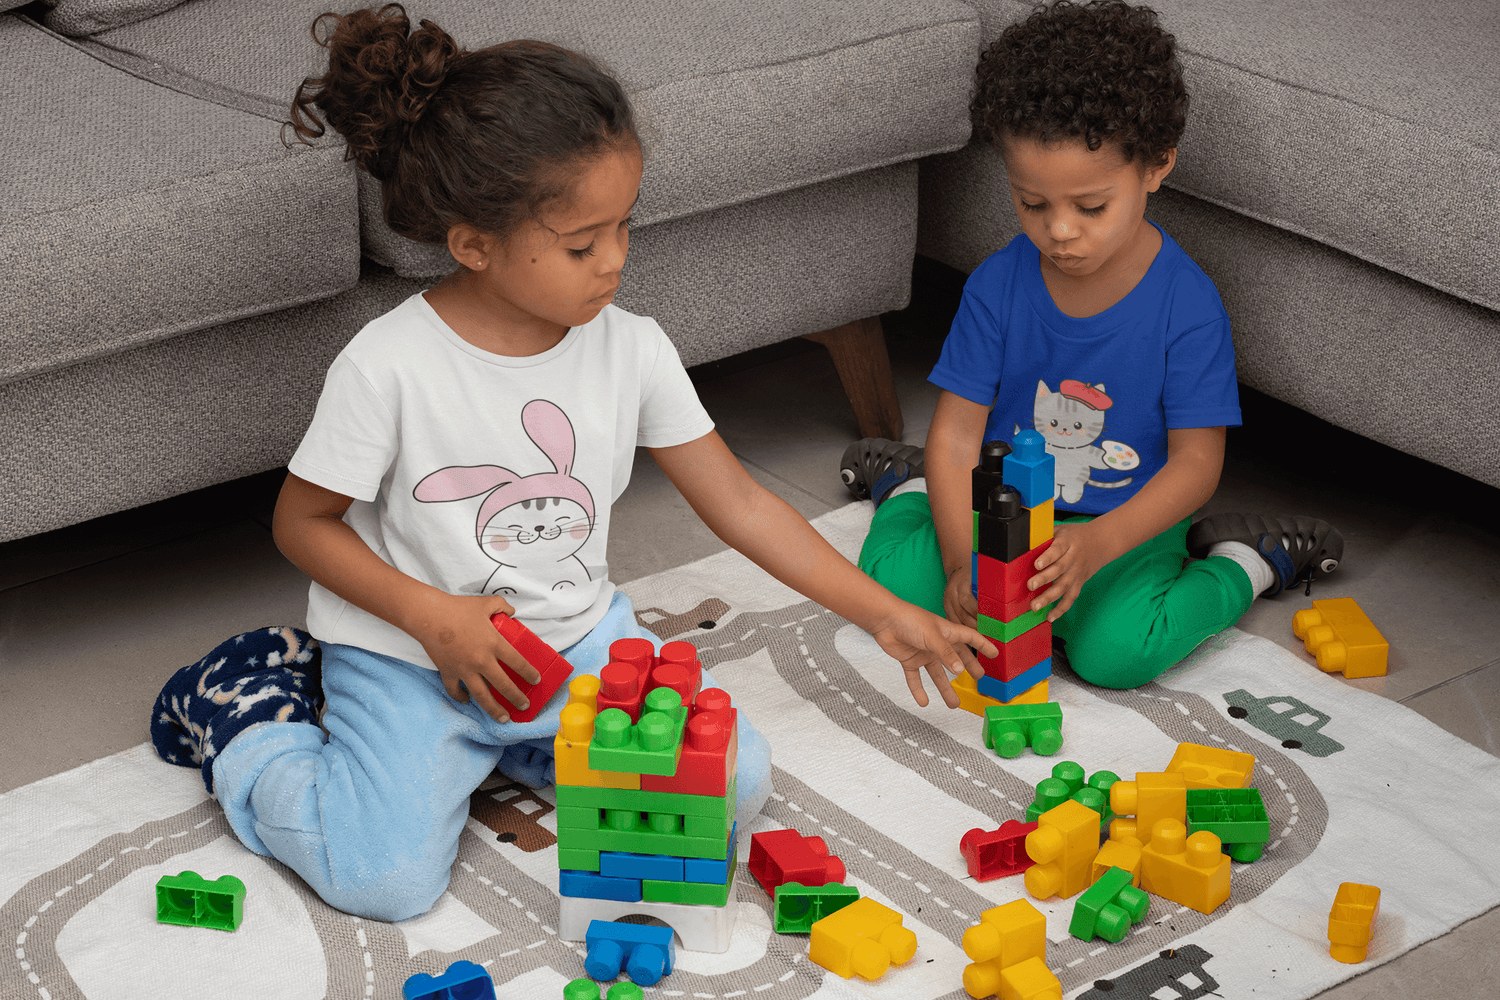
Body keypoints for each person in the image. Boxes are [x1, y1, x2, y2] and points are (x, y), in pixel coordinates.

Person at [148, 4, 995, 922]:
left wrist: (883, 616)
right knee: (382, 881)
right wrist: (435, 620)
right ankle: (249, 719)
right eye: (584, 244)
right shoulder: (388, 366)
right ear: (473, 243)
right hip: (407, 657)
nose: (616, 262)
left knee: (735, 784)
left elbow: (742, 502)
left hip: (573, 645)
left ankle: (521, 749)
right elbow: (300, 524)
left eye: (625, 227)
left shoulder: (632, 348)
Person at [842, 0, 1344, 691]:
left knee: (1117, 654)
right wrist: (964, 563)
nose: (1060, 232)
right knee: (891, 591)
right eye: (1032, 203)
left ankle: (1244, 559)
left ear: (1156, 166)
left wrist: (1096, 544)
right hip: (1003, 513)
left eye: (1091, 206)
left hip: (1120, 525)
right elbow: (958, 436)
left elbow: (1197, 464)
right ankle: (914, 490)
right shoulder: (998, 284)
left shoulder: (1187, 305)